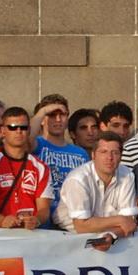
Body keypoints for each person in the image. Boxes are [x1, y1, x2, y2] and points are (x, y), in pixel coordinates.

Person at [55, 132, 138, 244]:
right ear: (93, 155)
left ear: (121, 156)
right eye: (103, 152)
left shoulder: (127, 175)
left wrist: (111, 235)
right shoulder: (78, 179)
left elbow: (129, 223)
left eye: (115, 152)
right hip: (67, 237)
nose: (109, 158)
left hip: (109, 235)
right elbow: (81, 227)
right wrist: (119, 219)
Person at [0, 107, 51, 229]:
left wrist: (36, 220)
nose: (18, 131)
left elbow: (44, 208)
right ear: (3, 131)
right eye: (12, 127)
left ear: (29, 130)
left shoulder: (41, 167)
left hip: (30, 233)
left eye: (23, 127)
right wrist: (1, 219)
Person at [32, 93, 89, 223]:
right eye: (52, 115)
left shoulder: (81, 153)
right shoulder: (37, 145)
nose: (58, 120)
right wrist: (43, 111)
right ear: (42, 119)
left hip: (71, 221)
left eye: (62, 115)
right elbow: (26, 139)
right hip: (42, 221)